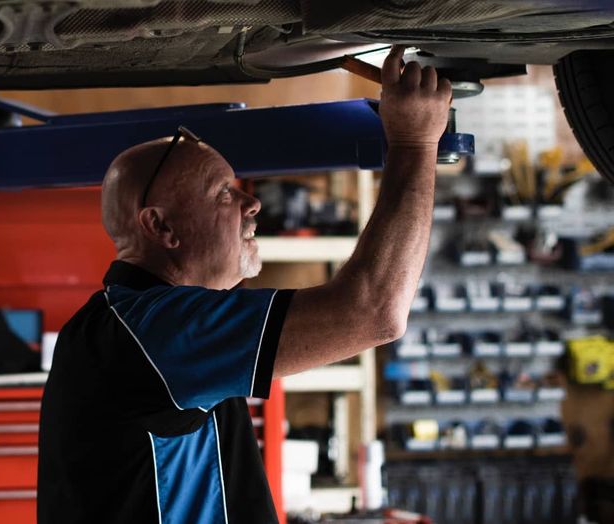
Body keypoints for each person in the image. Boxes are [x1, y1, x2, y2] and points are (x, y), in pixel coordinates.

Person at [37, 46, 452, 524]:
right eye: (223, 193)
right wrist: (415, 145)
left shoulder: (139, 327)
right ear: (162, 228)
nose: (251, 205)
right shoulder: (150, 333)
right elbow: (373, 311)